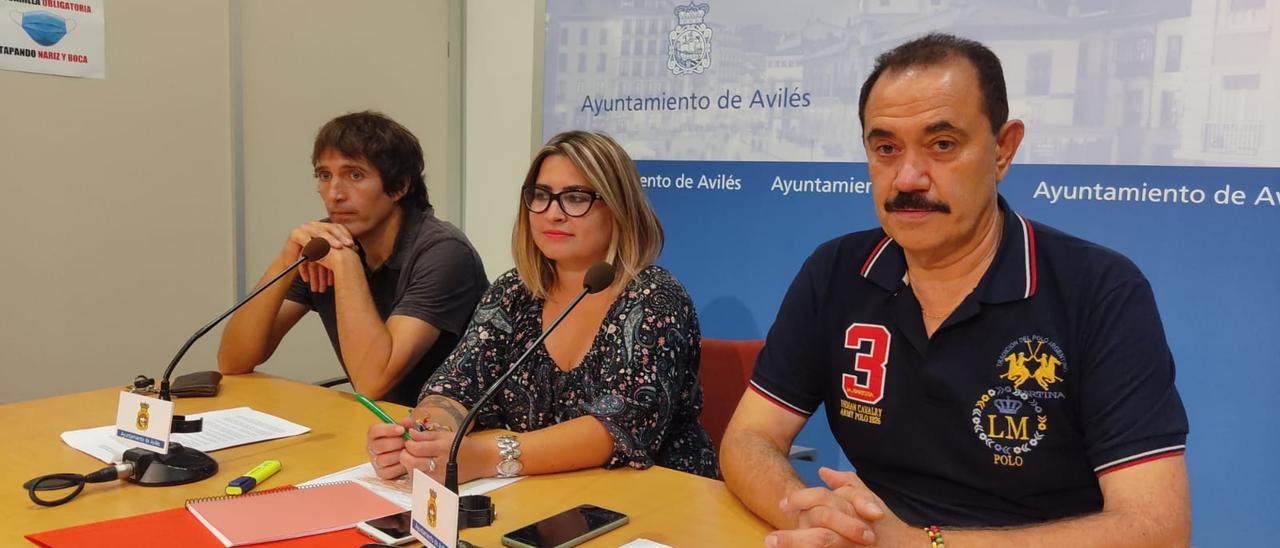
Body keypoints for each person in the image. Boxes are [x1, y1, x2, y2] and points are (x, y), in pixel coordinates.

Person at [721, 34, 1190, 546]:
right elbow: (749, 438)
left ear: (1003, 149)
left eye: (942, 145)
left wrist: (924, 545)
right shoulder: (836, 270)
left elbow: (1157, 528)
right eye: (885, 149)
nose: (907, 177)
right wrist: (806, 514)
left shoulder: (1099, 290)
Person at [365, 130, 717, 485]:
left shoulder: (655, 296)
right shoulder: (513, 292)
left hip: (655, 497)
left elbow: (619, 428)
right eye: (541, 196)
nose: (553, 213)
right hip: (539, 492)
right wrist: (425, 437)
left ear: (619, 207)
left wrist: (489, 457)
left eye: (576, 198)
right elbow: (455, 387)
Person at [218, 111, 488, 406]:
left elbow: (373, 381)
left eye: (355, 175)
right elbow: (233, 361)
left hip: (454, 432)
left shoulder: (443, 253)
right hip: (379, 426)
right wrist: (286, 259)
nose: (334, 194)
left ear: (399, 186)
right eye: (324, 176)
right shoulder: (325, 244)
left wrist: (347, 265)